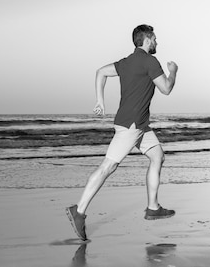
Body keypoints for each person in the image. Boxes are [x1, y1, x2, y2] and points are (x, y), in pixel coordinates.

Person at [65, 24, 179, 240]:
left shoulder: (126, 62)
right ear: (146, 40)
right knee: (108, 166)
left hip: (140, 125)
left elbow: (101, 72)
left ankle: (153, 207)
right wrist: (173, 71)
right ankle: (78, 211)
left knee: (158, 156)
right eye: (154, 39)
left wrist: (100, 101)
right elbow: (166, 88)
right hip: (131, 125)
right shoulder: (149, 61)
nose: (156, 42)